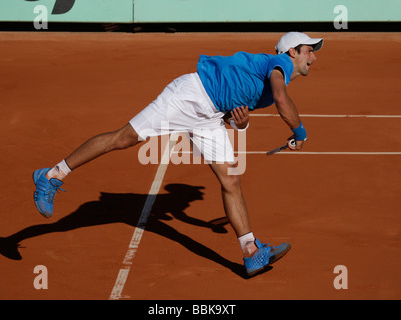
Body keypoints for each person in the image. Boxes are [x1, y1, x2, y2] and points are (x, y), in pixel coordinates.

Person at [33, 32, 323, 277]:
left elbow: (231, 116)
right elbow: (283, 100)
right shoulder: (278, 64)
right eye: (310, 51)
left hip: (209, 116)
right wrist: (300, 133)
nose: (313, 57)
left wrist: (241, 122)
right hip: (189, 95)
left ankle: (251, 251)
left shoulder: (268, 89)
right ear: (292, 51)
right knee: (125, 138)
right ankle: (52, 174)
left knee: (231, 179)